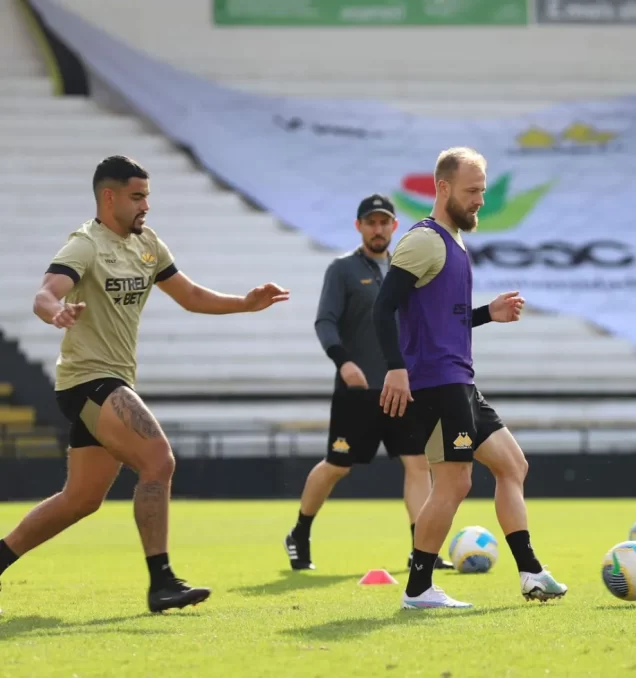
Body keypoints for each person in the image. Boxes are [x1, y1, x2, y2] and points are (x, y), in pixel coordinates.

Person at [0, 155, 289, 614]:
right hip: (88, 381)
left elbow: (190, 296)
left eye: (148, 196)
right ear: (108, 197)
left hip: (111, 379)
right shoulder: (85, 245)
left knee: (81, 500)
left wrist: (245, 303)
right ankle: (162, 583)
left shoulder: (148, 244)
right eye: (137, 197)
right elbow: (45, 291)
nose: (146, 206)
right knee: (159, 460)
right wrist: (53, 311)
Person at [372, 147, 567, 610]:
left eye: (482, 189)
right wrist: (396, 368)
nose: (481, 198)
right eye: (473, 190)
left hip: (460, 379)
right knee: (455, 483)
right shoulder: (424, 240)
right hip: (437, 383)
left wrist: (487, 314)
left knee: (512, 465)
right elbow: (384, 307)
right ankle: (418, 589)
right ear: (443, 188)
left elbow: (439, 318)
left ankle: (531, 572)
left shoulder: (454, 242)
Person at [284, 194, 453, 572]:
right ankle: (299, 532)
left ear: (394, 227)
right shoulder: (342, 269)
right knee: (337, 465)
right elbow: (324, 322)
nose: (377, 229)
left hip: (403, 389)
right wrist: (343, 362)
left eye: (384, 222)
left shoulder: (405, 270)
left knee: (417, 463)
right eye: (370, 222)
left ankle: (420, 549)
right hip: (358, 391)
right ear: (359, 226)